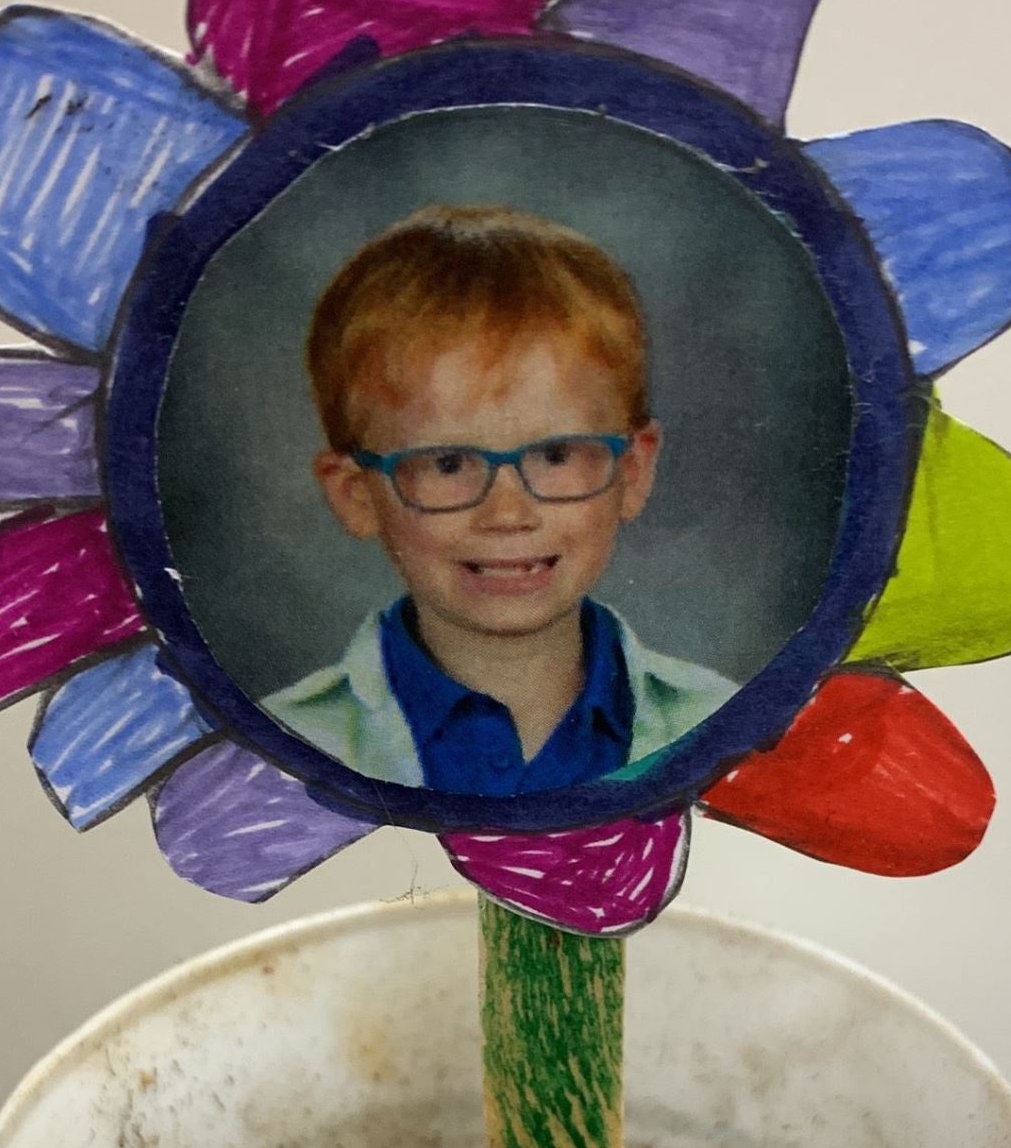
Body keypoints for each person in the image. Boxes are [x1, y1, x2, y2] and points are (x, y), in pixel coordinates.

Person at [266, 204, 736, 794]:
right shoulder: (267, 753)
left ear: (634, 471)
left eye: (556, 456)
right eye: (448, 464)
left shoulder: (732, 731)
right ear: (355, 494)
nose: (508, 514)